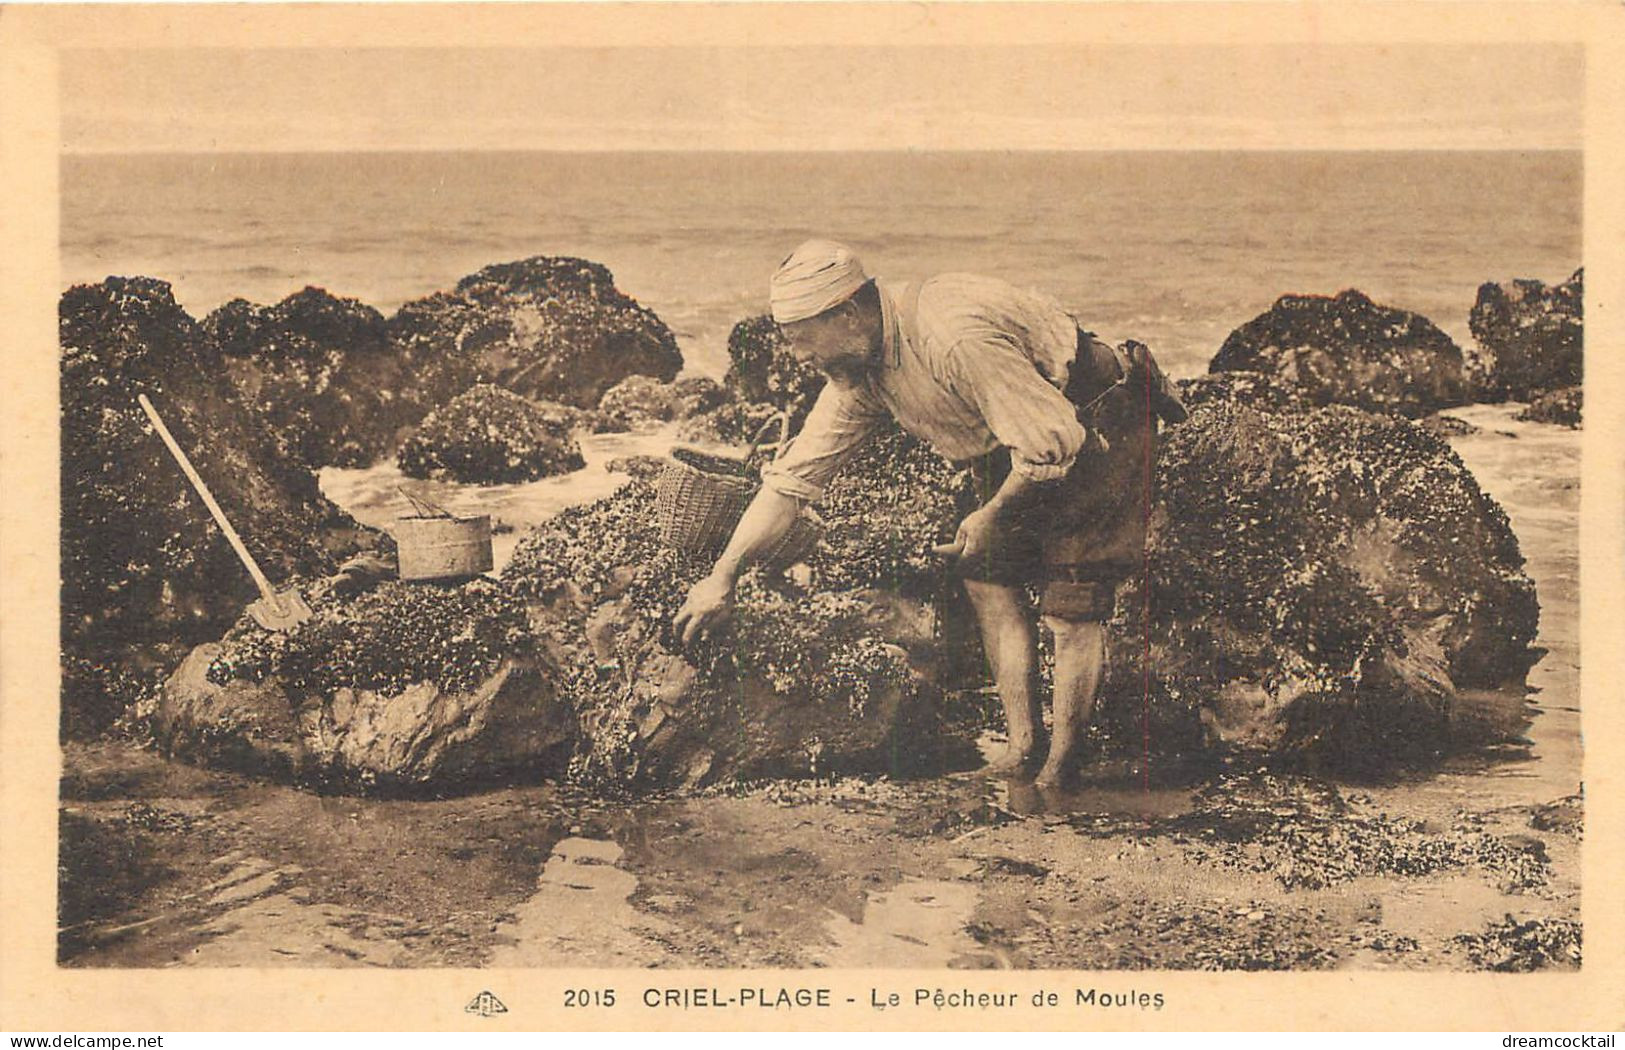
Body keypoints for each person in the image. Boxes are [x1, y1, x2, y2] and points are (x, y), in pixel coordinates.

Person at [672, 240, 1186, 787]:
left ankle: (1062, 767)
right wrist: (721, 577)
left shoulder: (950, 336)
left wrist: (989, 513)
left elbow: (1055, 443)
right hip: (1011, 436)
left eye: (803, 341)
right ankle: (1022, 748)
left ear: (847, 315)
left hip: (1095, 414)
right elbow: (794, 480)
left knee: (1071, 603)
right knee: (985, 577)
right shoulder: (860, 372)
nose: (800, 357)